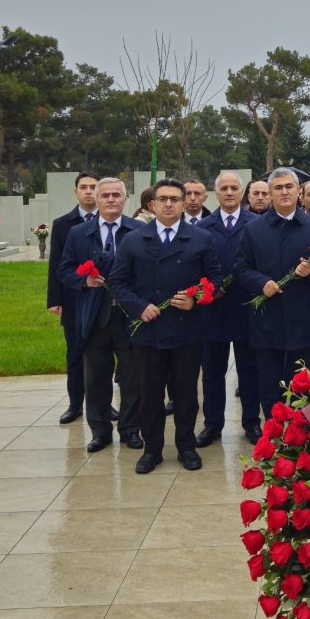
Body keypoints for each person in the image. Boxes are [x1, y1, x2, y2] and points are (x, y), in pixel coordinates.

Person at [109, 178, 220, 473]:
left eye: (175, 199)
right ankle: (152, 449)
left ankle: (186, 447)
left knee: (185, 394)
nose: (169, 204)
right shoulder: (133, 240)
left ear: (185, 203)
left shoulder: (200, 238)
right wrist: (138, 307)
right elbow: (117, 282)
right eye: (163, 199)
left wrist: (196, 298)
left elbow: (216, 278)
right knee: (150, 395)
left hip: (187, 331)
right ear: (152, 204)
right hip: (149, 332)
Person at [233, 168, 310, 419]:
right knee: (269, 388)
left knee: (304, 388)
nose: (284, 191)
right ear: (270, 193)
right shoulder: (254, 229)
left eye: (289, 187)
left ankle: (303, 441)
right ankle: (274, 440)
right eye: (278, 188)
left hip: (304, 323)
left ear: (299, 192)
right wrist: (260, 282)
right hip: (267, 322)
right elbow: (241, 267)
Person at [57, 177, 143, 453]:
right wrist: (83, 281)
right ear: (96, 198)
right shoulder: (79, 234)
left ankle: (130, 429)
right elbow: (64, 270)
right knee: (95, 377)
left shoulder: (139, 230)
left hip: (129, 317)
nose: (111, 199)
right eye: (105, 195)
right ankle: (100, 431)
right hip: (94, 316)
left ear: (125, 198)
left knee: (132, 376)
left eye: (117, 195)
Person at [195, 172, 262, 445]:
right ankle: (212, 425)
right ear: (216, 192)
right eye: (224, 188)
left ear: (242, 191)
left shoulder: (256, 224)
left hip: (247, 306)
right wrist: (207, 288)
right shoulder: (202, 226)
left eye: (235, 188)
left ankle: (251, 423)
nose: (230, 192)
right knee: (212, 371)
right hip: (214, 309)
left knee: (249, 370)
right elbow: (196, 265)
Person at [47, 171, 99, 424]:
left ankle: (103, 403)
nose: (89, 191)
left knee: (102, 355)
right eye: (84, 187)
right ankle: (75, 403)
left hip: (104, 299)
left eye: (93, 187)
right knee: (76, 353)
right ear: (75, 191)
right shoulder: (62, 224)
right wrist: (53, 299)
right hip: (74, 298)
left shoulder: (109, 220)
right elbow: (56, 264)